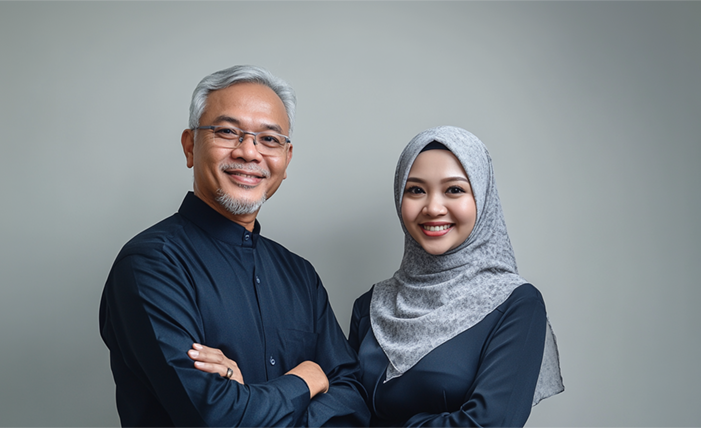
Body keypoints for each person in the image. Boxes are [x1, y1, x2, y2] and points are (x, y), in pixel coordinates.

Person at [99, 65, 369, 428]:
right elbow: (215, 417)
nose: (249, 152)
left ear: (286, 159)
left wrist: (249, 401)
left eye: (269, 139)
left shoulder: (300, 275)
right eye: (227, 132)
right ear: (190, 146)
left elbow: (353, 400)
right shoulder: (150, 265)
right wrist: (307, 379)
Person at [348, 126, 564, 427]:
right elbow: (346, 408)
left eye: (454, 190)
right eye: (416, 190)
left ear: (482, 198)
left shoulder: (515, 304)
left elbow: (490, 422)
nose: (433, 208)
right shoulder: (372, 305)